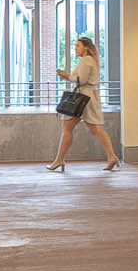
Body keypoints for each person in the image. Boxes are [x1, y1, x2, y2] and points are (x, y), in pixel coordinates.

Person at [49, 35, 120, 171]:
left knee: (67, 129)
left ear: (85, 48)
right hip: (89, 97)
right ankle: (111, 157)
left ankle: (59, 160)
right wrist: (70, 76)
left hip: (82, 98)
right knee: (96, 129)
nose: (75, 49)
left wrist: (66, 76)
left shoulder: (86, 60)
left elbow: (80, 80)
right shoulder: (91, 60)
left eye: (78, 46)